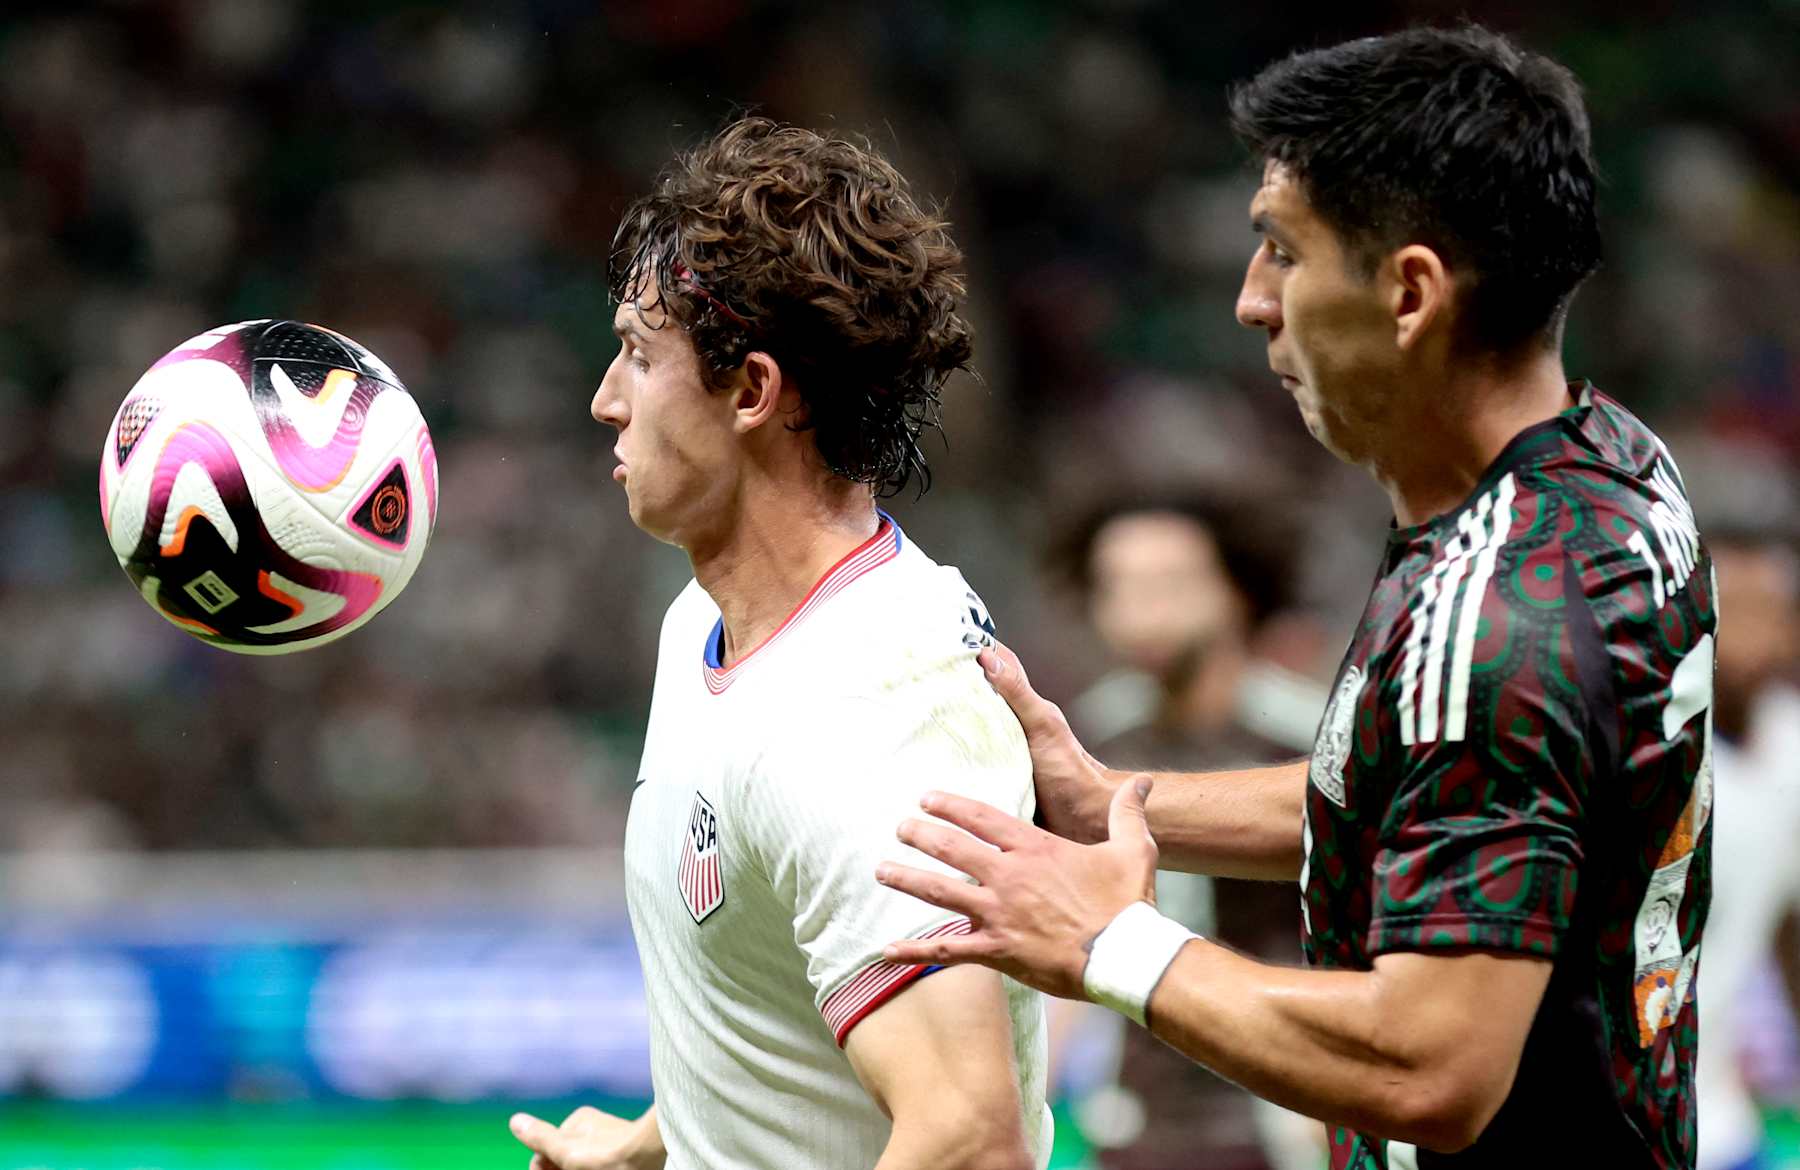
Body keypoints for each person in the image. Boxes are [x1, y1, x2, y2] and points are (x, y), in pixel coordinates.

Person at [876, 26, 1716, 1169]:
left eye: (1282, 251)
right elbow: (1431, 783)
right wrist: (1118, 804)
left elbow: (1431, 1068)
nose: (1251, 301)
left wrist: (1106, 943)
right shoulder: (1616, 469)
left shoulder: (1501, 621)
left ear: (1409, 292)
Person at [508, 118, 1050, 1170]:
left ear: (751, 392)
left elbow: (971, 1138)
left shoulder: (870, 712)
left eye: (638, 356)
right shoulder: (705, 623)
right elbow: (783, 987)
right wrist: (660, 1143)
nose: (604, 400)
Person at [1054, 492, 1323, 1170]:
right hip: (1134, 1115)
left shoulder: (1309, 737)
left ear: (1235, 588)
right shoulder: (1091, 740)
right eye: (1117, 587)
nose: (1140, 611)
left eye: (1169, 584)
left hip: (1285, 1109)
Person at [1696, 524, 1800, 1170]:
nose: (1750, 638)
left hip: (1728, 1122)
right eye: (1731, 612)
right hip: (1640, 1121)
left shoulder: (1791, 747)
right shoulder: (1650, 761)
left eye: (1769, 613)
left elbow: (1789, 925)